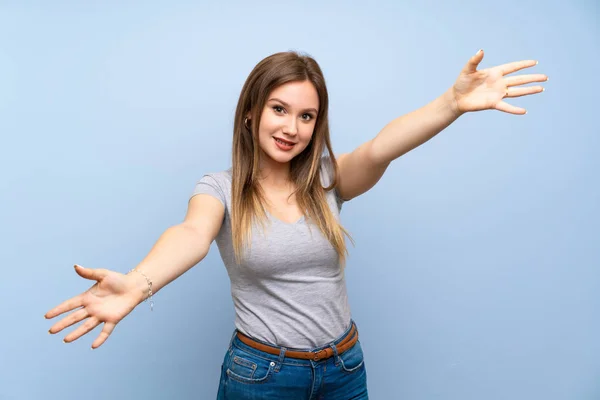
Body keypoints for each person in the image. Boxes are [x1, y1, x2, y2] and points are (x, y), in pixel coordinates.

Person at [45, 50, 547, 399]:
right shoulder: (219, 189)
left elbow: (380, 147)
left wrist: (451, 104)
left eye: (307, 117)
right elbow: (191, 236)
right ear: (251, 113)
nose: (291, 128)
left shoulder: (328, 179)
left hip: (345, 367)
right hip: (262, 376)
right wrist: (136, 282)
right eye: (279, 110)